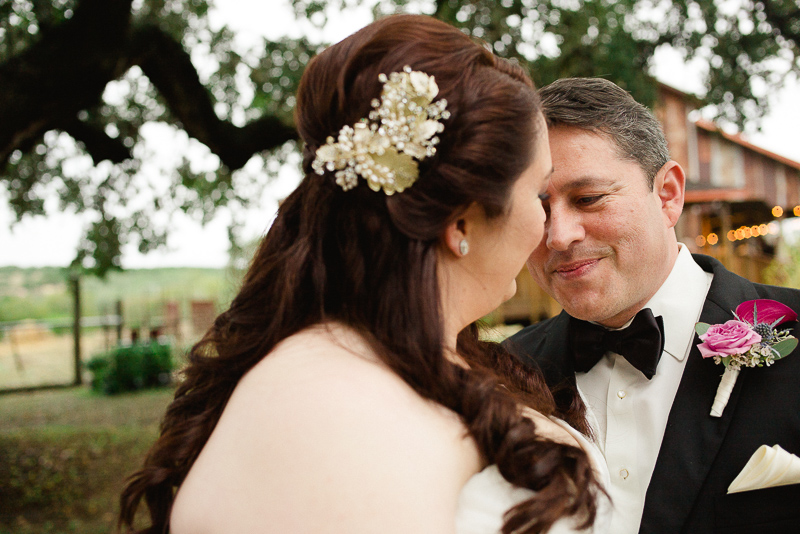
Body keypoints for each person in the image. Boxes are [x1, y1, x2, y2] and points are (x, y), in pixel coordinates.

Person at [117, 15, 610, 534]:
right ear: (461, 219)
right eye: (537, 195)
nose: (549, 229)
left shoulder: (390, 355)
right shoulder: (336, 413)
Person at [507, 77, 800, 534]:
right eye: (539, 208)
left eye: (588, 199)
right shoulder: (498, 376)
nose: (559, 236)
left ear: (667, 195)